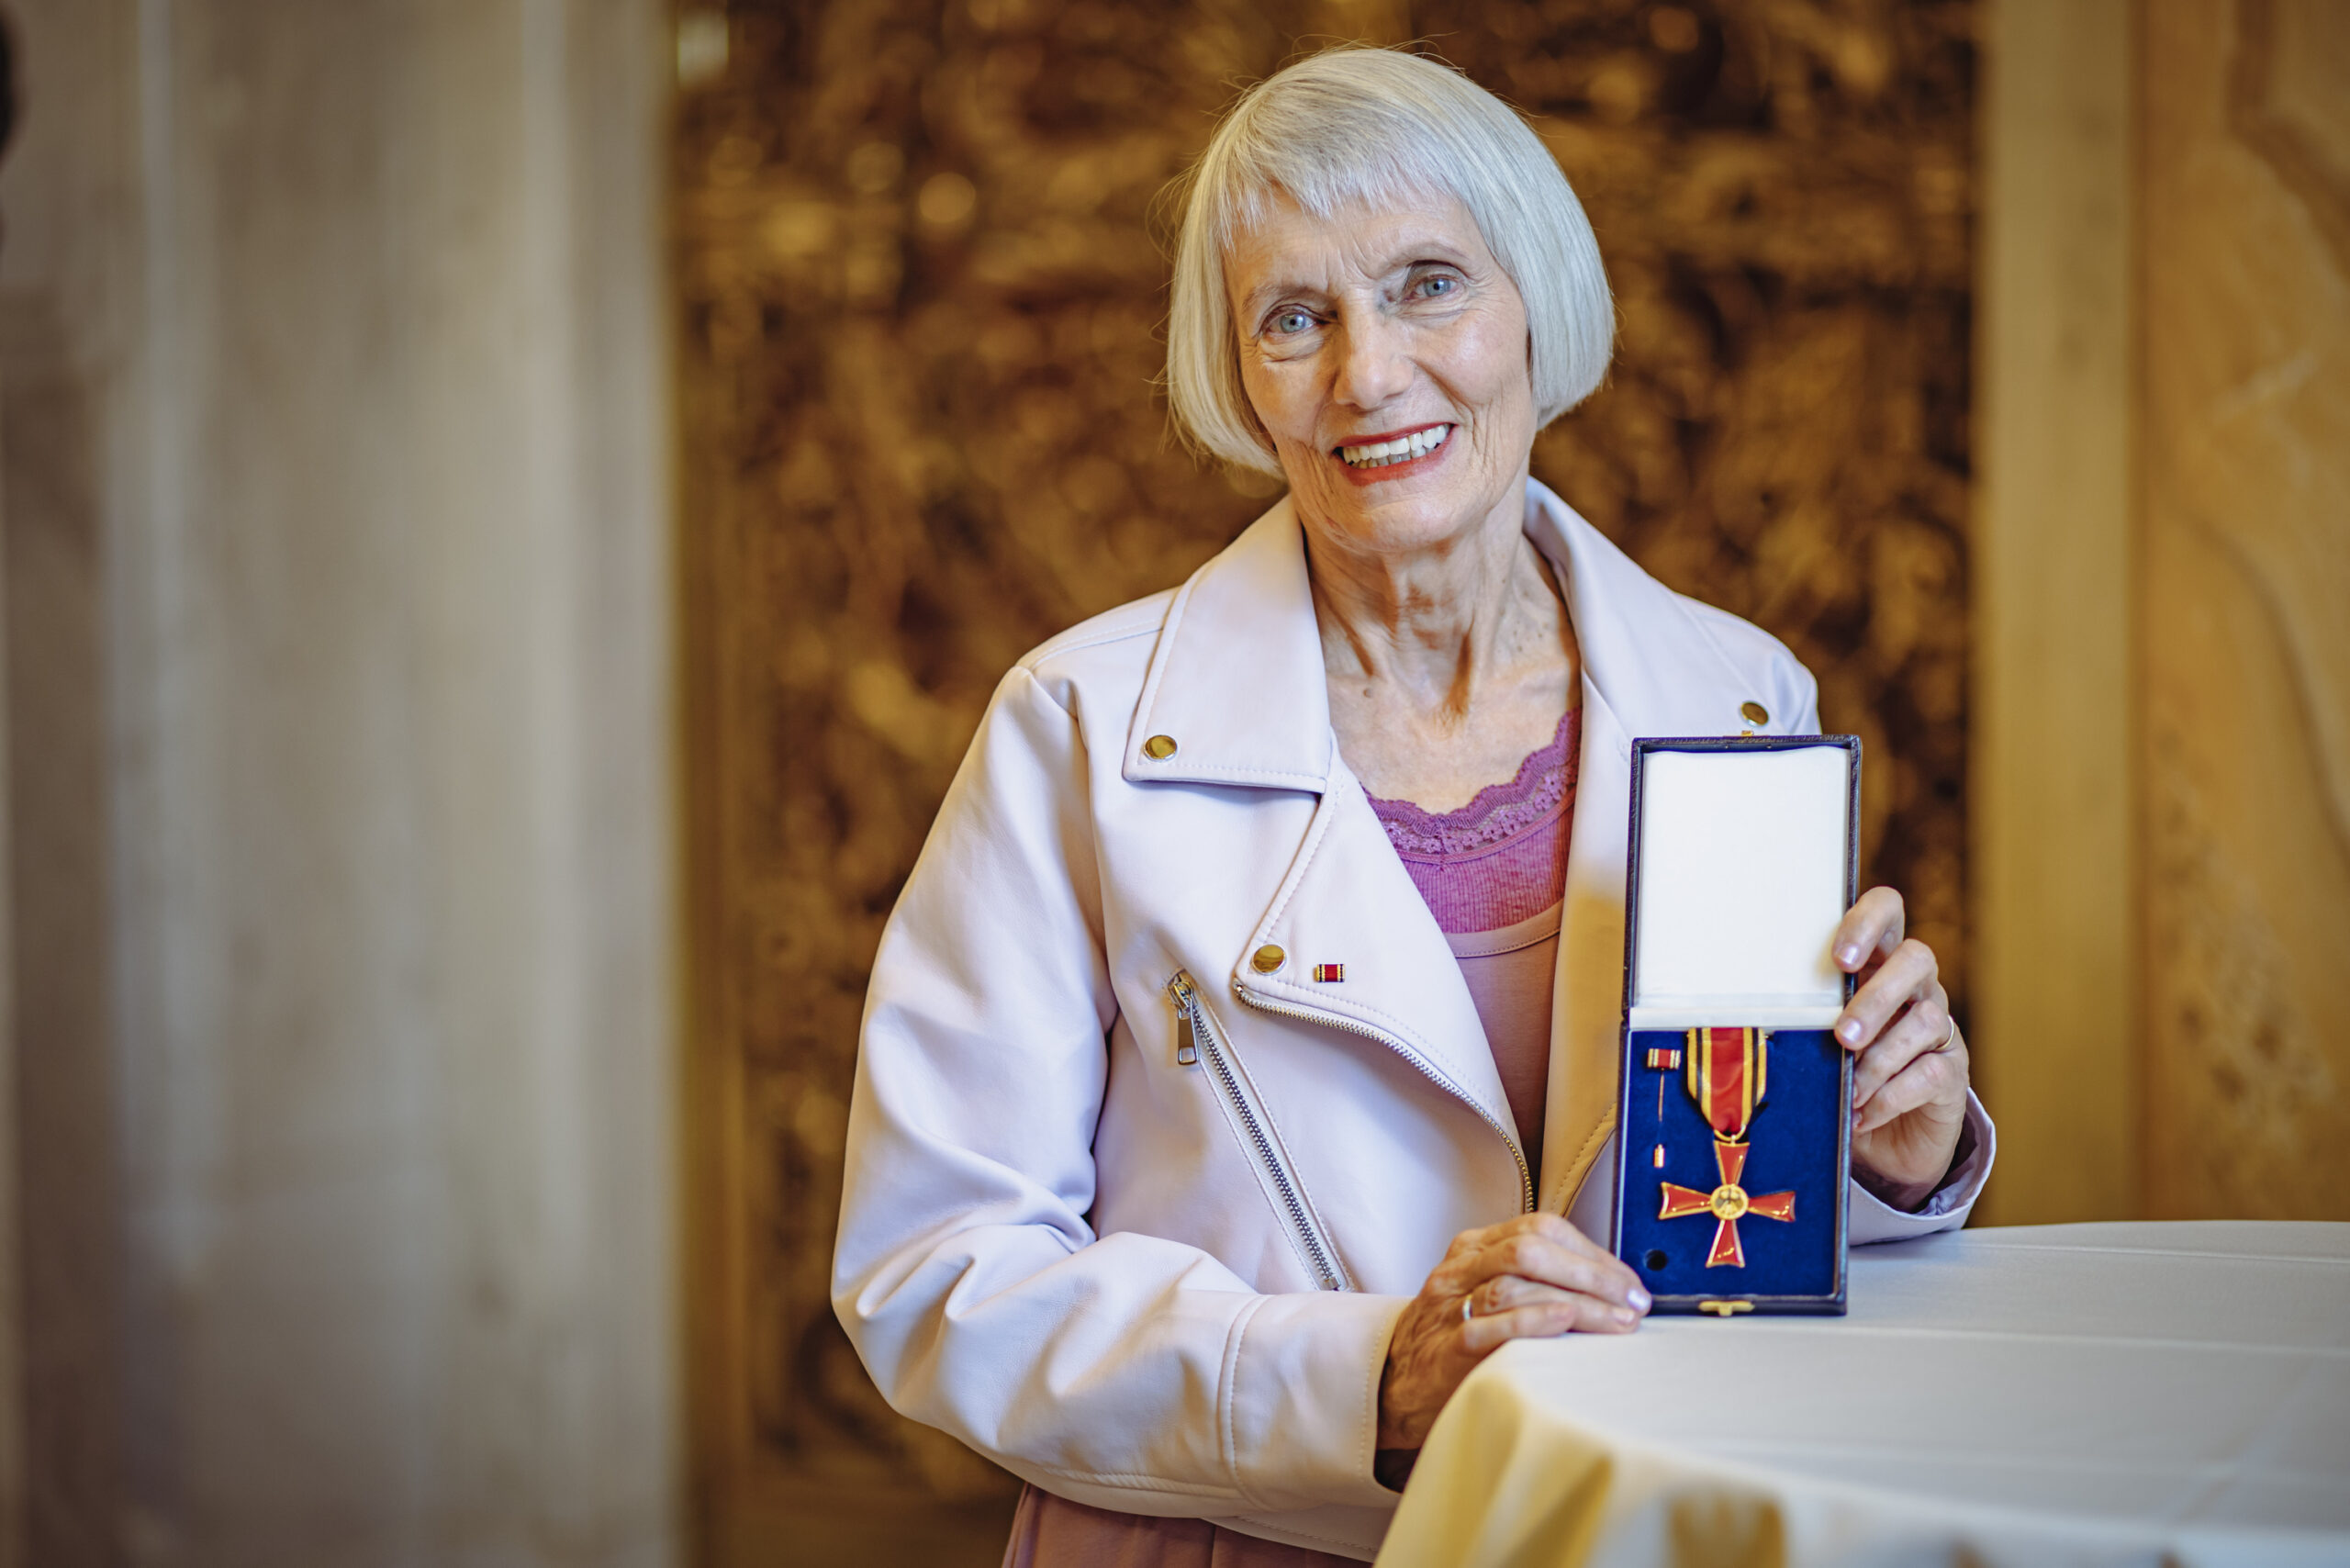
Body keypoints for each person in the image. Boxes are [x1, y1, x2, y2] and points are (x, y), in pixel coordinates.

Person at [833, 46, 1992, 1566]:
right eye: (1295, 319)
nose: (1368, 375)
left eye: (1429, 284)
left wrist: (1888, 1157)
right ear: (1242, 382)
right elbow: (934, 1268)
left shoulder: (1740, 692)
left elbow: (1753, 1235)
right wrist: (1362, 1381)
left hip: (1627, 1532)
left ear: (1537, 313)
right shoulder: (1079, 728)